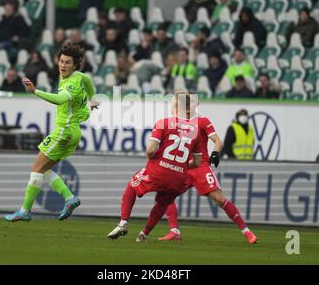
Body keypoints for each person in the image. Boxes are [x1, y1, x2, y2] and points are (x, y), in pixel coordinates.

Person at [5, 43, 99, 222]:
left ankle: (25, 211)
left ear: (75, 64)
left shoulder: (70, 84)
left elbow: (59, 99)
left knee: (36, 168)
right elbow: (88, 81)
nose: (63, 65)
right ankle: (70, 198)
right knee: (44, 169)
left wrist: (35, 91)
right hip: (74, 131)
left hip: (64, 131)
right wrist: (93, 98)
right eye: (61, 61)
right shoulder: (79, 77)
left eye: (67, 63)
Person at [159, 98, 258, 244]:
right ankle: (174, 231)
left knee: (219, 198)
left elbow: (218, 142)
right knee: (166, 195)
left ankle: (247, 232)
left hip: (200, 167)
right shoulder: (176, 124)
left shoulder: (203, 121)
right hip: (184, 167)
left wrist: (215, 154)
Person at [107, 91, 202, 242]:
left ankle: (123, 223)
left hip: (159, 171)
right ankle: (143, 234)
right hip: (178, 178)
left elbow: (150, 150)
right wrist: (179, 165)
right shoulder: (195, 131)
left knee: (133, 184)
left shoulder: (163, 122)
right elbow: (197, 162)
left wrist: (156, 158)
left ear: (176, 104)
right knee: (163, 203)